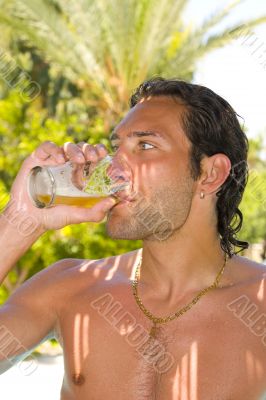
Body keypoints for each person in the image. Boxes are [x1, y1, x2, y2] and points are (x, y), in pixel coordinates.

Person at [0, 77, 265, 399]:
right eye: (116, 149)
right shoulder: (69, 287)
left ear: (210, 174)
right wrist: (20, 220)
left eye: (145, 146)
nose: (114, 169)